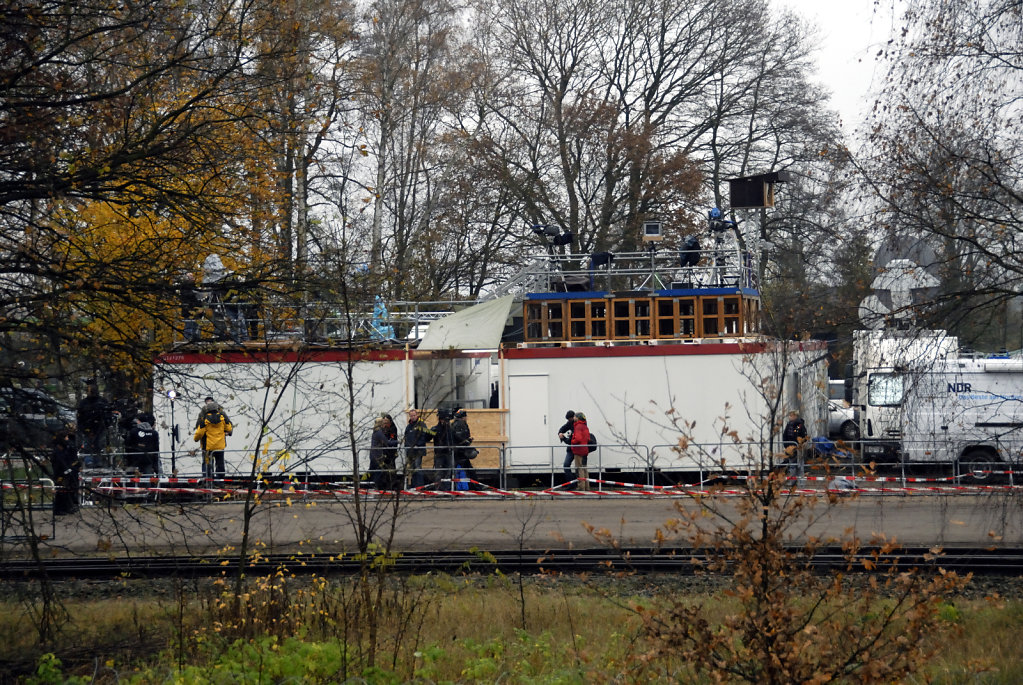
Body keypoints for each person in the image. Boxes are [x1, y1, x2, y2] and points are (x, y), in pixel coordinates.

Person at [194, 400, 233, 480]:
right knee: (220, 464)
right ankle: (220, 481)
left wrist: (196, 439)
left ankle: (208, 482)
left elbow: (199, 433)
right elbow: (229, 428)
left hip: (208, 447)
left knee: (208, 465)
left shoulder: (204, 419)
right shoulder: (222, 417)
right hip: (220, 446)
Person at [77, 383, 110, 467]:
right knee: (87, 446)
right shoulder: (84, 403)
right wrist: (83, 428)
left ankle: (98, 461)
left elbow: (107, 414)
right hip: (87, 428)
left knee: (99, 445)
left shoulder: (102, 401)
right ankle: (89, 461)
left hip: (100, 428)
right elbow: (80, 417)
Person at [49, 429, 81, 515]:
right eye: (66, 437)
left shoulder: (66, 449)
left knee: (68, 490)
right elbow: (59, 463)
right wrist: (65, 470)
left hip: (67, 473)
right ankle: (59, 509)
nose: (68, 439)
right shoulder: (57, 451)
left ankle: (68, 507)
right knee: (61, 491)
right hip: (60, 473)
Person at [403, 408, 434, 488]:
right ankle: (414, 485)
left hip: (418, 451)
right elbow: (406, 438)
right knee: (412, 469)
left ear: (417, 415)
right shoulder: (409, 426)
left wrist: (418, 445)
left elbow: (424, 436)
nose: (413, 417)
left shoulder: (421, 425)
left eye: (414, 415)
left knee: (417, 467)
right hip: (410, 451)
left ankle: (419, 486)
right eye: (411, 416)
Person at [369, 414, 399, 490]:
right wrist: (398, 442)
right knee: (378, 473)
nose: (384, 424)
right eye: (383, 422)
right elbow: (387, 443)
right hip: (378, 456)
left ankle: (376, 486)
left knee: (377, 472)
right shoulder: (379, 432)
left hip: (377, 455)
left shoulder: (377, 431)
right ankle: (377, 488)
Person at [451, 408, 475, 490]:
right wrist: (467, 442)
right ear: (463, 417)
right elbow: (460, 437)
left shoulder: (454, 424)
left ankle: (461, 487)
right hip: (460, 452)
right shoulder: (461, 424)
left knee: (460, 470)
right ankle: (470, 487)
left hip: (457, 451)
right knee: (466, 470)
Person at [431, 408, 455, 491]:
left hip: (448, 453)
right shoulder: (436, 429)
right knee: (439, 473)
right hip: (439, 454)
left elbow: (453, 438)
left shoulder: (449, 429)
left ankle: (447, 490)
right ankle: (438, 490)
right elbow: (428, 437)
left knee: (448, 473)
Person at [569, 412, 591, 491]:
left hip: (579, 451)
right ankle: (587, 487)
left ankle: (581, 487)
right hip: (585, 450)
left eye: (574, 416)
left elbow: (578, 439)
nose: (573, 417)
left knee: (579, 469)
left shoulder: (578, 426)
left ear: (577, 418)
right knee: (585, 469)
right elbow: (588, 438)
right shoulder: (585, 426)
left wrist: (572, 440)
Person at [782, 410, 808, 476]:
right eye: (789, 415)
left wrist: (798, 444)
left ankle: (799, 482)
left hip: (797, 447)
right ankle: (793, 481)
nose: (789, 417)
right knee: (792, 464)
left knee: (798, 465)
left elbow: (797, 434)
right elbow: (785, 435)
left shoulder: (798, 425)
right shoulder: (789, 425)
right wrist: (786, 445)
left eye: (791, 415)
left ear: (795, 416)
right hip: (790, 447)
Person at [557, 410, 576, 486]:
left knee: (579, 468)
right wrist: (560, 433)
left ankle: (575, 484)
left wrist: (564, 438)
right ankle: (572, 483)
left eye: (569, 419)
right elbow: (563, 428)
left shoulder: (578, 425)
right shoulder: (570, 423)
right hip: (571, 449)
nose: (568, 421)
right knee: (566, 465)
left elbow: (571, 441)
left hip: (577, 448)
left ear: (573, 417)